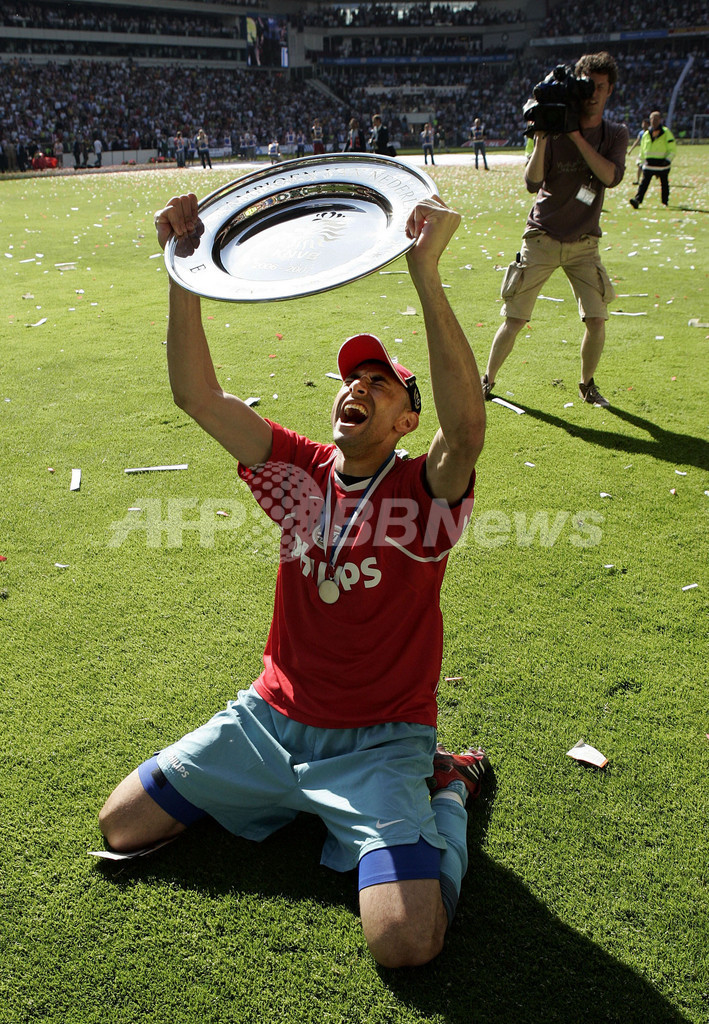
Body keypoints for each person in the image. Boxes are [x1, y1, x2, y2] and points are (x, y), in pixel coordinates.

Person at [99, 191, 489, 969]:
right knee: (121, 824)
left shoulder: (423, 490)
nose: (358, 388)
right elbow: (197, 397)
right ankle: (290, 793)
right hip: (270, 720)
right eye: (352, 379)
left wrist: (425, 272)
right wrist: (183, 268)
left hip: (382, 741)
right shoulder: (298, 469)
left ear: (405, 422)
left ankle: (445, 788)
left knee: (405, 944)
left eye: (380, 384)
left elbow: (467, 429)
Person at [482, 51, 628, 409]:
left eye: (601, 87)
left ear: (610, 90)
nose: (593, 94)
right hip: (542, 236)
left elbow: (610, 176)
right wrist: (543, 137)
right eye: (588, 86)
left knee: (597, 318)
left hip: (584, 243)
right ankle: (486, 380)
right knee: (515, 318)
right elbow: (532, 182)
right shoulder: (554, 129)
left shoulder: (614, 134)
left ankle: (587, 385)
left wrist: (575, 135)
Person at [629, 111, 676, 209]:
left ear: (660, 120)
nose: (654, 121)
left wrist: (668, 160)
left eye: (656, 119)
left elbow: (672, 148)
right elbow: (643, 149)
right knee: (644, 183)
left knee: (664, 183)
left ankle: (665, 201)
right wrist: (641, 161)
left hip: (662, 164)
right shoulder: (646, 134)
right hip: (649, 164)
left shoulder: (666, 132)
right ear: (650, 120)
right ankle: (637, 200)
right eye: (652, 119)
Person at [627, 118, 649, 185]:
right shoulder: (641, 133)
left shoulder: (650, 132)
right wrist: (631, 150)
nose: (643, 125)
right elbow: (637, 141)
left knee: (646, 168)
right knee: (640, 166)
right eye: (643, 123)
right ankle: (638, 180)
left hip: (648, 153)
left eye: (645, 124)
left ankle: (644, 180)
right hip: (642, 153)